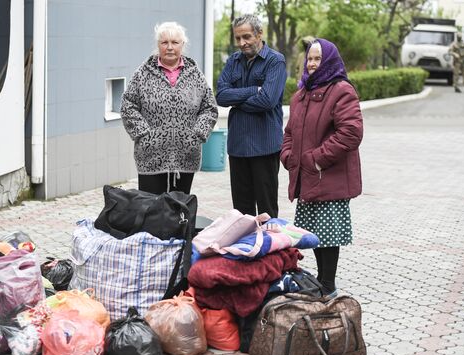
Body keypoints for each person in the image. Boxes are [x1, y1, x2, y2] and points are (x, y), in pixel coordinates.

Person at [280, 39, 363, 298]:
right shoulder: (301, 94)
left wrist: (317, 159)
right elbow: (290, 132)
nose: (313, 64)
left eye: (317, 59)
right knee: (314, 233)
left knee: (327, 235)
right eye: (309, 59)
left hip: (329, 176)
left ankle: (328, 284)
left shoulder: (341, 90)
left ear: (329, 61)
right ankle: (322, 281)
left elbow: (351, 132)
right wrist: (288, 156)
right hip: (307, 176)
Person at [121, 22, 218, 195]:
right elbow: (128, 105)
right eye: (165, 42)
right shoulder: (142, 73)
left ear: (183, 44)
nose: (170, 47)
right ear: (158, 45)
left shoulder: (195, 74)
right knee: (150, 208)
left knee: (179, 209)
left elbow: (209, 108)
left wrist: (197, 135)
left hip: (186, 154)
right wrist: (145, 135)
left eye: (175, 42)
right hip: (150, 155)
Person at [216, 14, 287, 218]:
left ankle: (269, 250)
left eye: (246, 37)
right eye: (238, 38)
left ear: (259, 33)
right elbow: (220, 96)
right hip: (238, 147)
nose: (242, 43)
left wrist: (236, 100)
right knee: (241, 214)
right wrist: (253, 91)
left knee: (267, 212)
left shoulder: (276, 61)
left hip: (264, 146)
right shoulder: (233, 61)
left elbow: (267, 100)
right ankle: (246, 249)